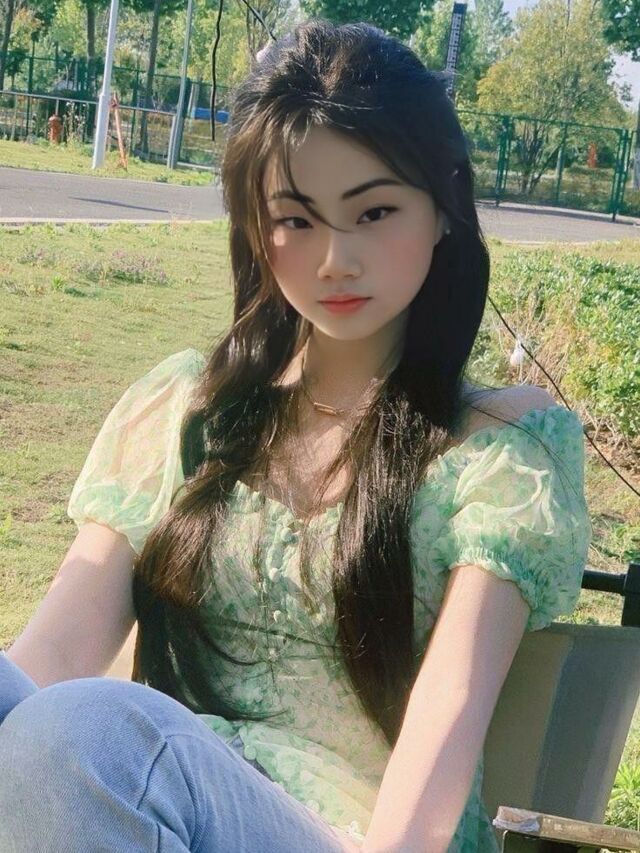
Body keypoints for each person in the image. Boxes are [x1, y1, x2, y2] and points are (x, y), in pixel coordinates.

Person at [0, 18, 592, 853]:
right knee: (65, 724)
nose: (335, 259)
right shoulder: (185, 410)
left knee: (89, 731)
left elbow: (447, 714)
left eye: (374, 211)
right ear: (255, 226)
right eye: (297, 220)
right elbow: (48, 661)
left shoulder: (492, 449)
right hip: (158, 810)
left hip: (348, 835)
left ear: (442, 209)